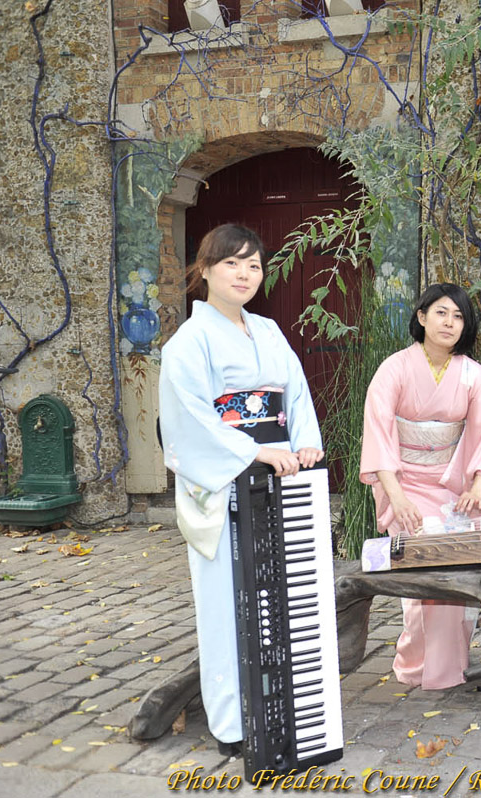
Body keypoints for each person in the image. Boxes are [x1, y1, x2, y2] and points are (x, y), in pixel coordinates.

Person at [159, 224, 325, 756]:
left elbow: (295, 394)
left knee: (282, 590)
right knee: (224, 600)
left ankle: (284, 703)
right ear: (204, 270)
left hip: (279, 471)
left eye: (254, 265)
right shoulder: (189, 342)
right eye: (232, 262)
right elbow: (190, 417)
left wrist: (305, 442)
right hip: (226, 478)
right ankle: (231, 722)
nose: (245, 274)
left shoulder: (269, 330)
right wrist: (252, 451)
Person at [359, 283, 481, 689]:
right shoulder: (394, 369)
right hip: (403, 484)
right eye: (441, 313)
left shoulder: (473, 375)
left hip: (453, 487)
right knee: (423, 575)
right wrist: (396, 497)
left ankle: (449, 668)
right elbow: (378, 434)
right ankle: (414, 664)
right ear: (422, 317)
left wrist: (479, 487)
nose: (449, 323)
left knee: (456, 576)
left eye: (458, 316)